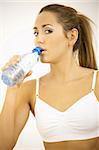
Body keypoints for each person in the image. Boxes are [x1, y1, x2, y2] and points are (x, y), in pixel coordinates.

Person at [0, 3, 99, 150]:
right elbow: (3, 145)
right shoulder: (30, 90)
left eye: (48, 31)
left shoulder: (96, 82)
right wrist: (12, 88)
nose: (39, 39)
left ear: (72, 36)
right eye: (36, 33)